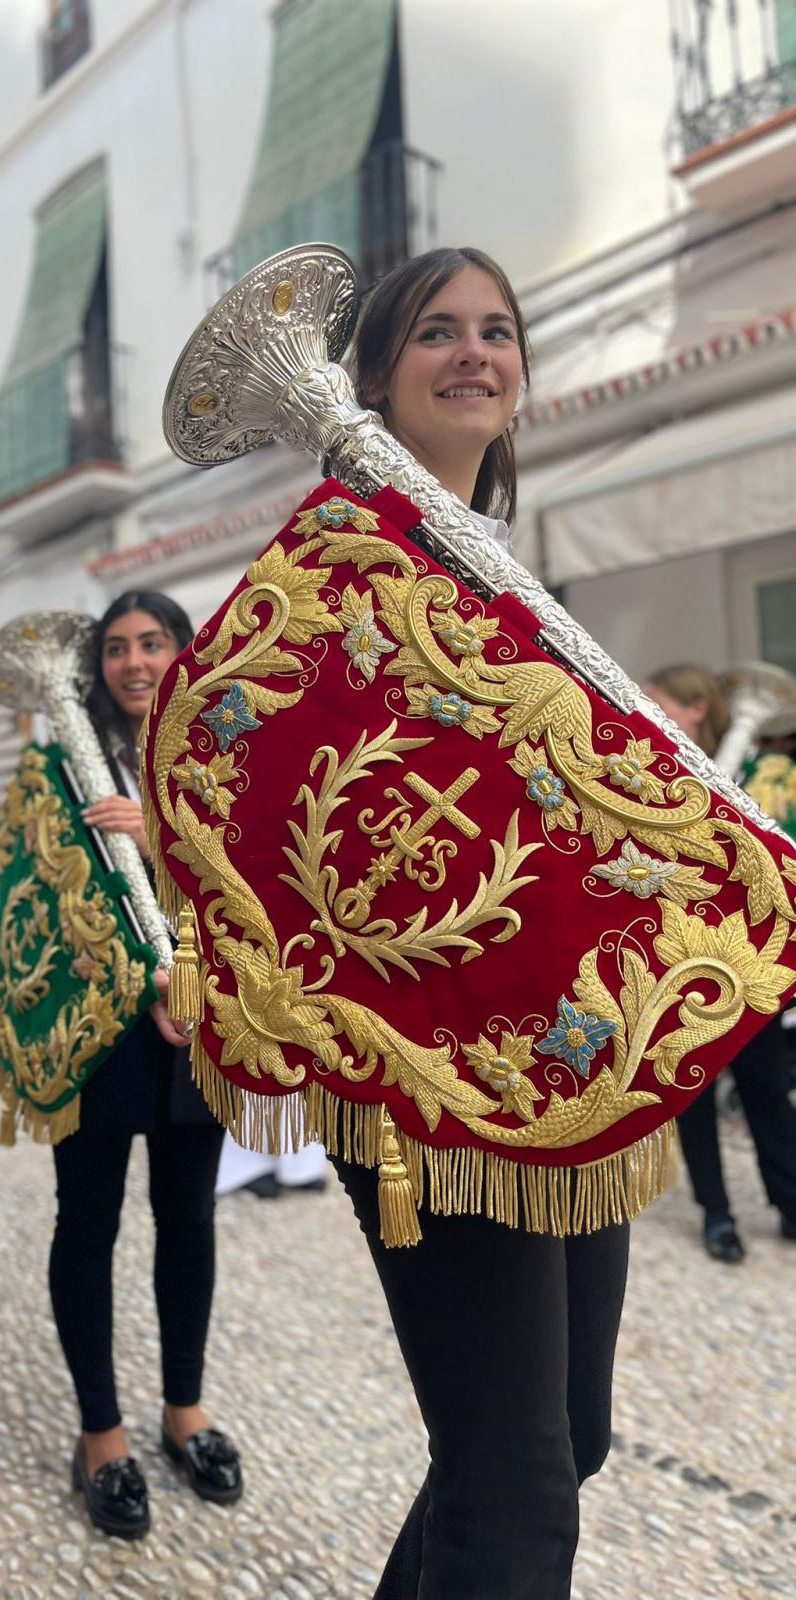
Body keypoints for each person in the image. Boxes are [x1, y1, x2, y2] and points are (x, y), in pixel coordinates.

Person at [306, 247, 630, 1599]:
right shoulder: (336, 565)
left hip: (574, 1046)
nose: (476, 355)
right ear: (379, 374)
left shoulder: (506, 570)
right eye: (438, 331)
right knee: (515, 1478)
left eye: (498, 331)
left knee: (564, 1437)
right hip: (422, 1064)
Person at [50, 591, 241, 1540]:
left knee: (189, 1221)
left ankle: (184, 1410)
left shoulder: (222, 751)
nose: (133, 662)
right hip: (99, 1028)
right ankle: (100, 1431)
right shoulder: (60, 763)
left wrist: (158, 836)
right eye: (117, 648)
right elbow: (38, 892)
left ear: (182, 650)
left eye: (151, 643)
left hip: (194, 1021)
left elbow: (257, 875)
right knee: (87, 1223)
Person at [647, 664, 796, 1262]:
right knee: (695, 1092)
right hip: (680, 952)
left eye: (659, 703)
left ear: (696, 711)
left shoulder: (769, 773)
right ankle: (717, 1213)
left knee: (765, 1085)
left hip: (748, 951)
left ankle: (789, 1201)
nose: (647, 711)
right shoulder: (655, 765)